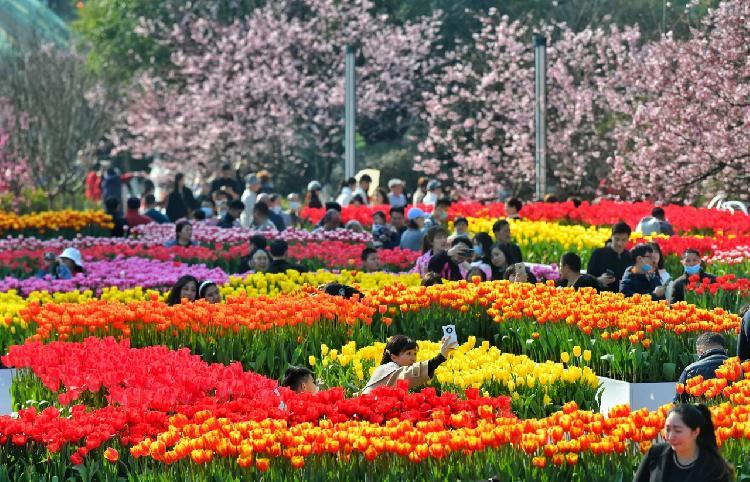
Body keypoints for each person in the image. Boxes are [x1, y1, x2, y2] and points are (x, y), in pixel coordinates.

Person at [634, 404, 733, 482]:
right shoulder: (655, 455)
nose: (671, 436)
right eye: (668, 429)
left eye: (678, 431)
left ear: (695, 432)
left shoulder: (713, 468)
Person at [361, 334, 457, 395]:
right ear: (394, 357)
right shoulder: (388, 369)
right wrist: (440, 357)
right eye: (408, 353)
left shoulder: (390, 368)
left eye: (415, 354)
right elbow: (407, 375)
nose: (413, 358)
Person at [675, 332, 728, 403]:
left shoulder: (690, 370)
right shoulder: (737, 366)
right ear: (723, 347)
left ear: (699, 350)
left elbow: (678, 403)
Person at [587, 221, 633, 293]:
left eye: (624, 240)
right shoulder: (598, 254)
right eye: (616, 239)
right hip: (601, 297)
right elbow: (587, 279)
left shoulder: (630, 257)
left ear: (628, 239)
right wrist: (598, 280)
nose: (619, 243)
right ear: (611, 237)